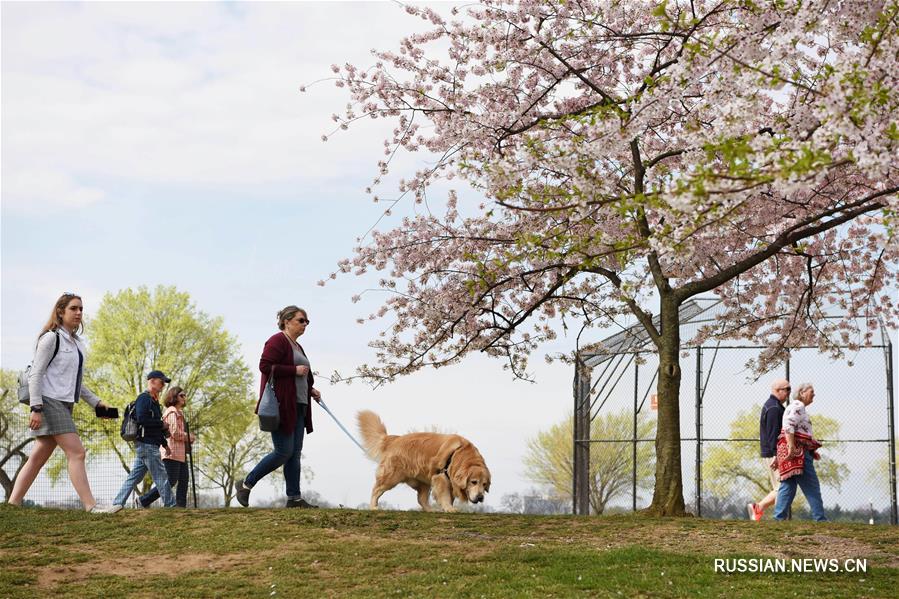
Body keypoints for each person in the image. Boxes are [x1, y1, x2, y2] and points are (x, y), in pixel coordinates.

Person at [8, 293, 116, 512]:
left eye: (81, 309)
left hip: (65, 403)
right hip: (49, 401)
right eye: (73, 309)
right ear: (61, 312)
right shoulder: (50, 338)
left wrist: (96, 403)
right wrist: (35, 408)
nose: (78, 313)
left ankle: (12, 504)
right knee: (77, 452)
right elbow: (36, 374)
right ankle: (91, 506)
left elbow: (75, 381)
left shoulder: (77, 343)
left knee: (38, 456)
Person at [236, 306, 322, 508]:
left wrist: (311, 390)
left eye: (307, 321)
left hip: (299, 405)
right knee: (283, 451)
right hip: (282, 406)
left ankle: (294, 498)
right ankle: (246, 484)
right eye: (301, 320)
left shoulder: (297, 346)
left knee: (294, 453)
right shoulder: (277, 340)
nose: (305, 324)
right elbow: (265, 366)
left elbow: (300, 377)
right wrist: (294, 370)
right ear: (287, 321)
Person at [110, 371, 176, 511]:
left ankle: (117, 503)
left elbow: (154, 428)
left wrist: (165, 444)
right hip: (146, 444)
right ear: (152, 381)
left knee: (134, 477)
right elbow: (142, 419)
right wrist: (161, 424)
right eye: (161, 381)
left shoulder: (155, 402)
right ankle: (171, 505)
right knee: (161, 476)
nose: (163, 385)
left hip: (149, 445)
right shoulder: (144, 398)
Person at [773, 383, 826, 521]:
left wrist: (811, 449)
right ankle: (820, 519)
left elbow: (795, 429)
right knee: (812, 486)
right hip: (798, 453)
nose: (814, 394)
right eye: (811, 391)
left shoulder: (795, 407)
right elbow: (789, 425)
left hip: (794, 451)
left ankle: (778, 518)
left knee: (788, 485)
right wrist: (791, 447)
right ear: (802, 393)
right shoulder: (798, 406)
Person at [136, 386, 194, 508]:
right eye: (181, 395)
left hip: (181, 453)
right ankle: (143, 501)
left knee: (184, 480)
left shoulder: (179, 413)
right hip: (172, 452)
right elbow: (174, 432)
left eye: (185, 395)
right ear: (174, 397)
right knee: (170, 481)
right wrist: (189, 437)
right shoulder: (172, 411)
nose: (184, 398)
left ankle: (181, 508)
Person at [747, 378, 790, 521]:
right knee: (782, 488)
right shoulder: (773, 408)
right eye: (787, 389)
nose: (789, 393)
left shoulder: (775, 406)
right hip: (774, 454)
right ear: (778, 390)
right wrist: (777, 456)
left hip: (774, 453)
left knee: (782, 487)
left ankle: (758, 508)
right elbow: (773, 435)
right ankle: (776, 518)